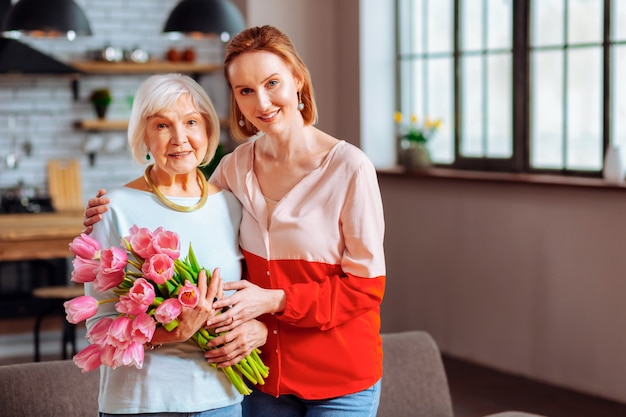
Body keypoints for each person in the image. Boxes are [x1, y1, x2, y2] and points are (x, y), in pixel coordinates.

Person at [84, 25, 386, 417]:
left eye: (272, 83)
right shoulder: (234, 168)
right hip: (260, 379)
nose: (262, 102)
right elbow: (184, 219)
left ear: (298, 79)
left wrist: (274, 303)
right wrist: (107, 216)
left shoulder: (350, 168)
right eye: (245, 91)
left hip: (339, 377)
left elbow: (364, 290)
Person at [84, 73, 267, 417]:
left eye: (191, 122)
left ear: (208, 131)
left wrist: (259, 328)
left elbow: (253, 295)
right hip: (141, 403)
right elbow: (97, 327)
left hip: (221, 402)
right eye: (162, 126)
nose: (180, 138)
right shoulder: (114, 208)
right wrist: (173, 333)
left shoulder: (233, 206)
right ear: (144, 136)